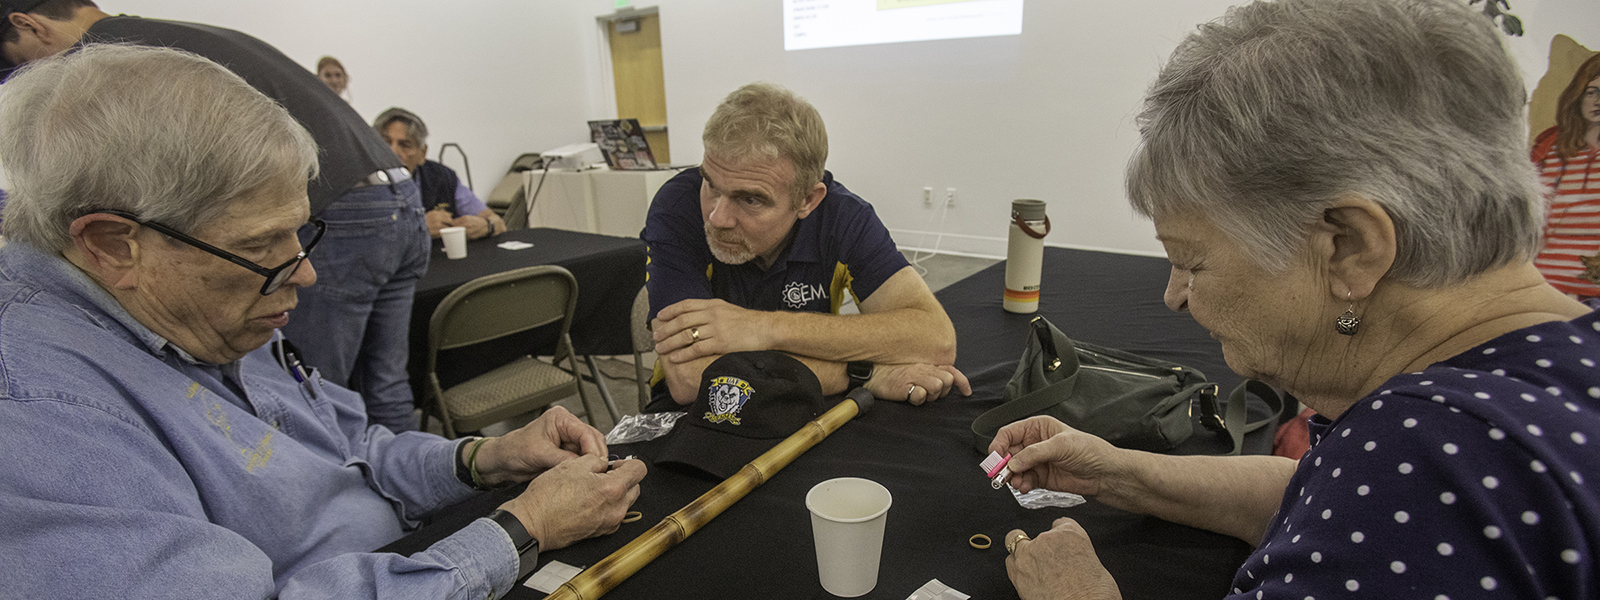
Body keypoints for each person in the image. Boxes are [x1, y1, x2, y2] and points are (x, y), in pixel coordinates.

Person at [991, 0, 1600, 599]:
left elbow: (1384, 498)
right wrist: (1121, 472)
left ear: (1350, 248)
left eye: (1191, 261)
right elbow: (1318, 492)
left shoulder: (1427, 458)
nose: (1175, 296)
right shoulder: (1552, 368)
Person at [0, 44, 645, 599]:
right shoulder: (36, 419)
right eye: (259, 245)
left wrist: (483, 459)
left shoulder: (202, 303)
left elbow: (353, 453)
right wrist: (520, 528)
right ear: (114, 246)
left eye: (298, 233)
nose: (304, 274)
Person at [0, 0, 431, 433]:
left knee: (307, 402)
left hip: (341, 204)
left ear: (30, 26)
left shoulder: (115, 62)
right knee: (385, 381)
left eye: (22, 62)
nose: (35, 76)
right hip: (397, 196)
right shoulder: (185, 35)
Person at [642, 82, 969, 410]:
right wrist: (863, 373)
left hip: (802, 407)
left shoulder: (843, 217)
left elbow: (935, 339)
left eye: (751, 199)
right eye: (711, 185)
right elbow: (689, 379)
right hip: (696, 417)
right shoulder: (678, 206)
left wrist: (762, 327)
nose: (718, 217)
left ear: (807, 200)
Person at [374, 107, 506, 240]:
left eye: (405, 145)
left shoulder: (441, 176)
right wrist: (417, 227)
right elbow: (361, 241)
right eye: (385, 143)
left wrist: (487, 225)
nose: (393, 152)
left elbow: (498, 222)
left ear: (422, 153)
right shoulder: (361, 183)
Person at [1531, 52, 1600, 301]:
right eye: (1592, 91)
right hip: (1542, 283)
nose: (1597, 101)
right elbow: (1529, 214)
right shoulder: (1551, 148)